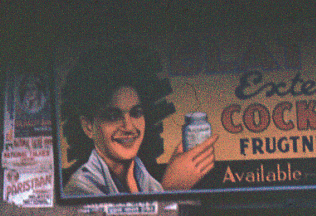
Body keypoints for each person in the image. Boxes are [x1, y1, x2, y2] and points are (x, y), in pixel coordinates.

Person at [61, 44, 218, 196]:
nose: (129, 126)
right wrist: (172, 189)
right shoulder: (80, 188)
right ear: (88, 127)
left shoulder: (141, 178)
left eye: (136, 113)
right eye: (113, 116)